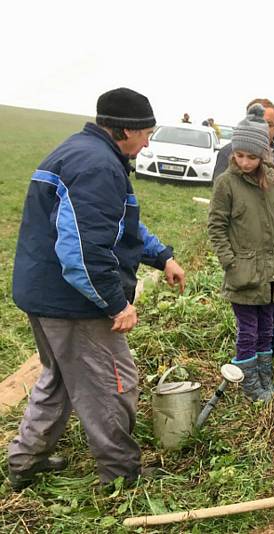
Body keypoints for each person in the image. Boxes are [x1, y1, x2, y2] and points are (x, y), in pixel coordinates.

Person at [7, 87, 186, 490]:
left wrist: (161, 256)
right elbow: (83, 251)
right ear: (125, 130)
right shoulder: (98, 166)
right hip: (75, 304)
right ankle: (121, 474)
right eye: (145, 133)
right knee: (112, 384)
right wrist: (115, 304)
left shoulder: (85, 152)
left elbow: (118, 224)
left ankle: (24, 460)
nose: (147, 141)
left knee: (60, 380)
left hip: (45, 295)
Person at [207, 104, 274, 404]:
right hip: (243, 272)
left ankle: (265, 376)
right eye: (239, 155)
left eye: (251, 156)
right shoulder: (226, 184)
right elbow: (216, 226)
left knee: (268, 328)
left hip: (271, 272)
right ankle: (251, 385)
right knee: (248, 332)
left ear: (264, 154)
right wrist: (230, 262)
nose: (244, 161)